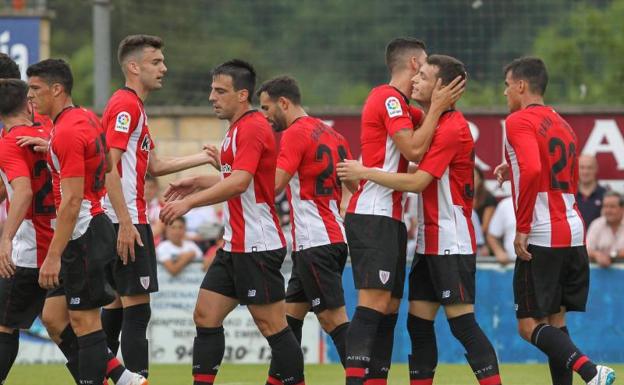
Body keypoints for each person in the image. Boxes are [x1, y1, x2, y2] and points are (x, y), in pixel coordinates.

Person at [338, 54, 502, 385]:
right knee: (417, 323)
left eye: (425, 77)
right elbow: (417, 170)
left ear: (442, 88)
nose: (416, 81)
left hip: (451, 241)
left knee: (462, 324)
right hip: (430, 242)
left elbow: (417, 182)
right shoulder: (433, 122)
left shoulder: (451, 127)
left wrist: (365, 172)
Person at [160, 60, 305, 385]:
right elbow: (238, 179)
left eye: (220, 91)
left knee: (273, 327)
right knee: (205, 315)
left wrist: (189, 202)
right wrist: (197, 181)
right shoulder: (235, 130)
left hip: (258, 244)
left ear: (243, 95)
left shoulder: (253, 127)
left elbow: (240, 182)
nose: (212, 96)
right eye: (212, 89)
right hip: (234, 245)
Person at [100, 34, 217, 378]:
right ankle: (136, 378)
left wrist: (202, 157)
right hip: (126, 221)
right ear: (134, 67)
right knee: (136, 312)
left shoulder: (135, 107)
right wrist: (124, 222)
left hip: (120, 219)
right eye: (156, 62)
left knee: (118, 307)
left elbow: (153, 166)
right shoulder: (125, 106)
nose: (164, 68)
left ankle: (95, 375)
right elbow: (109, 165)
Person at [27, 58, 149, 385]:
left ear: (57, 89)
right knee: (54, 318)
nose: (31, 96)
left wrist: (53, 254)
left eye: (36, 89)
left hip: (81, 232)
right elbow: (108, 165)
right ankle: (124, 379)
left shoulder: (66, 131)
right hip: (91, 226)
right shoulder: (85, 118)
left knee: (84, 322)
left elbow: (71, 201)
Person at [496, 56, 615, 385]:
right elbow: (557, 169)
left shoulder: (518, 121)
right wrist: (512, 167)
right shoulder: (562, 123)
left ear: (521, 86)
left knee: (528, 326)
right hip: (573, 231)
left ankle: (592, 372)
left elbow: (533, 169)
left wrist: (522, 227)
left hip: (541, 235)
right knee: (556, 322)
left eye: (507, 86)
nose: (505, 93)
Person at [257, 75, 355, 381]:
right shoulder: (332, 134)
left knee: (332, 320)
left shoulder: (294, 134)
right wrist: (341, 204)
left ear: (283, 102)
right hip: (325, 239)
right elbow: (353, 182)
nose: (265, 116)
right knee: (288, 323)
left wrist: (237, 174)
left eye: (266, 107)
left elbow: (274, 184)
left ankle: (365, 377)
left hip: (315, 243)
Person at [586, 191, 624, 268]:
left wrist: (612, 255)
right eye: (605, 206)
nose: (608, 210)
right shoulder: (596, 224)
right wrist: (597, 255)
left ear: (622, 209)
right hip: (599, 275)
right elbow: (586, 250)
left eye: (612, 207)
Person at [575, 155, 607, 229]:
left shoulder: (605, 195)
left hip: (598, 239)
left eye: (589, 168)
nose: (585, 172)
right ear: (576, 169)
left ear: (596, 169)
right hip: (576, 239)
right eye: (582, 167)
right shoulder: (570, 195)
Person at [487, 196, 516, 266]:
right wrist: (499, 252)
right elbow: (491, 235)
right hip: (512, 266)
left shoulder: (545, 201)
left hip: (540, 264)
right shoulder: (506, 204)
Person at [474, 166, 497, 237]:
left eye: (472, 176)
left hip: (482, 240)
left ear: (480, 179)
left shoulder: (488, 198)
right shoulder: (460, 197)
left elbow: (485, 227)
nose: (468, 179)